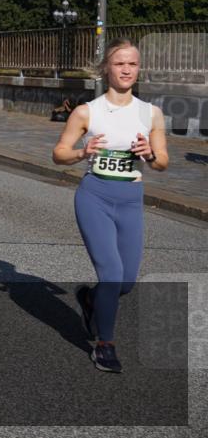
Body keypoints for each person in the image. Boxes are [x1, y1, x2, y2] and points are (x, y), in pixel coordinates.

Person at [52, 37, 168, 373]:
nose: (126, 70)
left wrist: (150, 154)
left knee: (127, 282)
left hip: (131, 199)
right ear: (107, 68)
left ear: (139, 69)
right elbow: (58, 153)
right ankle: (105, 344)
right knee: (112, 273)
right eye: (120, 64)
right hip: (95, 196)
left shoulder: (151, 113)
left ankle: (90, 300)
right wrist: (81, 153)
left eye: (132, 64)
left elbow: (162, 162)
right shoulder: (88, 111)